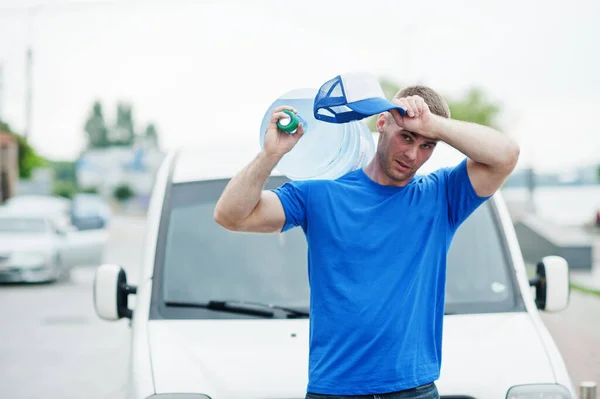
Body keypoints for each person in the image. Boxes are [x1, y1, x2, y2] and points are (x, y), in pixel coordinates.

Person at [214, 85, 520, 398]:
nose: (413, 155)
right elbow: (232, 216)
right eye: (407, 137)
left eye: (428, 145)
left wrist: (432, 124)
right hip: (334, 390)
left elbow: (506, 155)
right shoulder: (320, 193)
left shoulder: (441, 196)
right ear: (382, 123)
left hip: (413, 391)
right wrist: (271, 155)